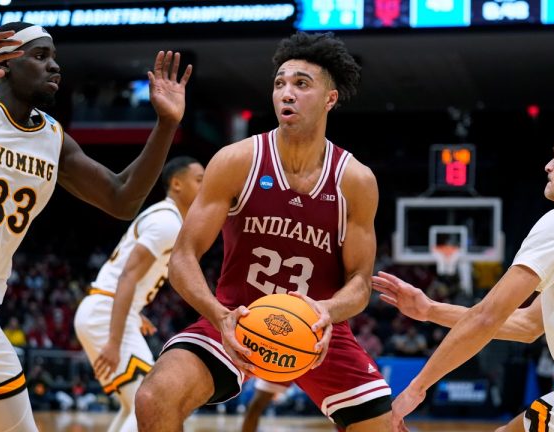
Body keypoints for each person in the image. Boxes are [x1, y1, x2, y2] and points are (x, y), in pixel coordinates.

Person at [0, 23, 191, 430]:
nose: (54, 67)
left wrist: (165, 125)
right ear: (4, 64)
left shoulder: (53, 139)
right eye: (40, 57)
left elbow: (122, 198)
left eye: (54, 58)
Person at [135, 31, 392, 431]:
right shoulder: (238, 160)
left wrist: (327, 311)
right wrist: (219, 314)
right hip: (236, 317)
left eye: (301, 84)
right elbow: (183, 257)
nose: (286, 93)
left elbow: (360, 281)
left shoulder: (355, 180)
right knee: (154, 397)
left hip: (316, 329)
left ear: (330, 98)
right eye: (280, 84)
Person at [373, 119, 554, 431]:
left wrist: (415, 388)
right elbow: (528, 325)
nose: (548, 166)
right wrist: (430, 310)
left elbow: (486, 317)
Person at [74, 156, 204, 432]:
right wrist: (114, 339)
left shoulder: (166, 218)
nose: (205, 186)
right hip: (104, 313)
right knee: (154, 401)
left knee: (134, 404)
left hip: (105, 309)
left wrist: (134, 311)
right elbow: (128, 275)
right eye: (199, 180)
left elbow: (127, 274)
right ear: (177, 184)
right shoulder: (167, 222)